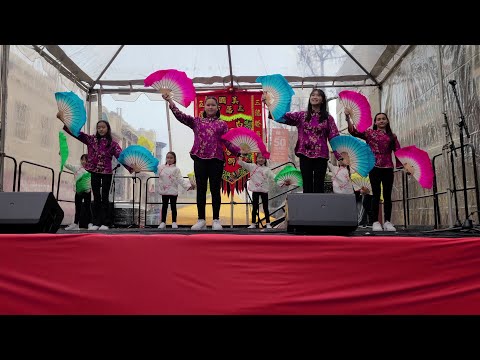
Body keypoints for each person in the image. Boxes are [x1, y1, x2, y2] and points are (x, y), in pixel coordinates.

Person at [162, 93, 243, 230]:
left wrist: (239, 152)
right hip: (199, 158)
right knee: (201, 190)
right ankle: (201, 220)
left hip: (216, 160)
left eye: (213, 105)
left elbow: (228, 142)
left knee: (215, 190)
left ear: (217, 108)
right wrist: (170, 101)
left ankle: (216, 220)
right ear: (204, 107)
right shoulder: (197, 121)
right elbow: (180, 116)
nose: (210, 107)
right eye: (208, 105)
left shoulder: (222, 124)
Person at [57, 113, 132, 230]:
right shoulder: (91, 139)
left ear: (108, 129)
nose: (101, 129)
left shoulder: (112, 144)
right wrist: (63, 120)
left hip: (107, 172)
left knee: (104, 197)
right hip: (94, 172)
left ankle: (105, 223)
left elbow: (121, 157)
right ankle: (96, 223)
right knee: (96, 197)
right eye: (99, 127)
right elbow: (76, 133)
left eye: (103, 127)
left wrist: (132, 167)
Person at [265, 88, 342, 193]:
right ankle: (308, 209)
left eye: (318, 95)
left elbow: (334, 137)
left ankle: (318, 208)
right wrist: (269, 104)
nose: (315, 97)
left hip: (321, 155)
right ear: (310, 98)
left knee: (319, 185)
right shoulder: (301, 116)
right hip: (305, 154)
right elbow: (282, 117)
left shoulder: (328, 118)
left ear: (323, 100)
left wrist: (340, 157)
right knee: (307, 184)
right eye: (313, 95)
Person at [346, 111, 402, 231]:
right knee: (375, 194)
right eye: (379, 119)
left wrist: (402, 165)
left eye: (383, 119)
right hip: (374, 167)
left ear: (387, 121)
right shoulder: (370, 133)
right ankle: (375, 222)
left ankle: (387, 221)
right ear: (375, 122)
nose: (381, 121)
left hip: (388, 168)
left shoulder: (392, 136)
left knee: (387, 195)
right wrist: (347, 117)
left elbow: (398, 151)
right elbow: (353, 132)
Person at [157, 151, 194, 230]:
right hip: (164, 191)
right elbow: (153, 169)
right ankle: (163, 222)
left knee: (173, 206)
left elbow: (180, 179)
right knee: (164, 206)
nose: (169, 159)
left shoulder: (176, 169)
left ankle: (174, 222)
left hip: (173, 190)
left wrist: (188, 186)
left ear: (174, 159)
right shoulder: (161, 168)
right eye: (167, 157)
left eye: (171, 158)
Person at [237, 153, 275, 229]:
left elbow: (274, 177)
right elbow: (241, 163)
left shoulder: (267, 169)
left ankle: (268, 223)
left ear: (265, 160)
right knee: (254, 207)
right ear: (256, 159)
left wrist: (282, 181)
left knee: (265, 207)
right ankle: (253, 223)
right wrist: (240, 155)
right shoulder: (252, 166)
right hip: (255, 190)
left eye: (263, 158)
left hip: (264, 190)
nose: (261, 159)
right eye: (259, 158)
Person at [63, 154, 92, 230]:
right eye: (82, 159)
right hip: (78, 191)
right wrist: (62, 155)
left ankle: (90, 224)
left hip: (87, 191)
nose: (84, 161)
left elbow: (92, 181)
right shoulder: (77, 168)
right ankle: (76, 224)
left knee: (87, 208)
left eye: (85, 160)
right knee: (78, 208)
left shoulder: (91, 170)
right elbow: (66, 165)